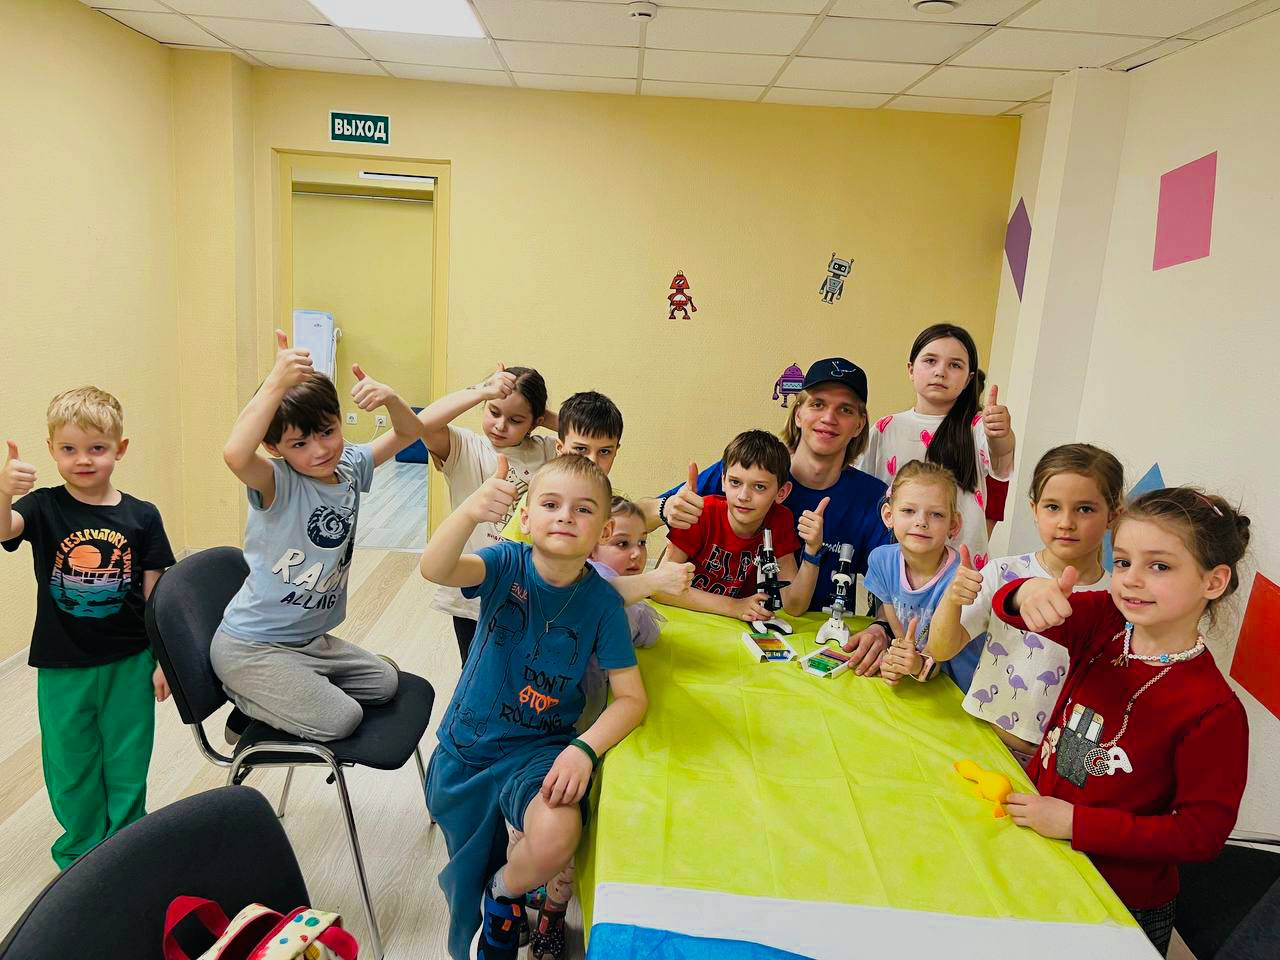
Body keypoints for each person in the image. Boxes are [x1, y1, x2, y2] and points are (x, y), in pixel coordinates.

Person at [991, 487, 1250, 955]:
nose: (1130, 580)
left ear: (1213, 582)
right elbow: (1011, 610)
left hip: (1121, 901)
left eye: (1159, 566)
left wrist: (1077, 823)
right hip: (1043, 855)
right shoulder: (1105, 622)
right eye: (1124, 561)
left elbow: (1201, 835)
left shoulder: (1215, 710)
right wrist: (1026, 593)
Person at [420, 454, 646, 960]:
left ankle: (502, 893)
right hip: (466, 749)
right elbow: (434, 567)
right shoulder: (506, 563)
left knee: (558, 831)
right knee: (465, 881)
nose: (565, 516)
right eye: (550, 504)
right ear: (525, 517)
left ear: (604, 530)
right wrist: (469, 512)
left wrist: (583, 750)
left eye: (583, 509)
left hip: (539, 751)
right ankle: (488, 903)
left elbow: (632, 699)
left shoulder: (603, 604)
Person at [212, 331, 421, 742]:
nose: (320, 450)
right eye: (300, 443)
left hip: (309, 643)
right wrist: (276, 381)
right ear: (274, 447)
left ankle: (290, 687)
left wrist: (393, 399)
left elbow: (408, 433)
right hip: (252, 647)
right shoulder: (276, 481)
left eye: (327, 432)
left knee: (385, 683)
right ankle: (246, 703)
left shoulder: (349, 466)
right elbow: (235, 454)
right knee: (343, 719)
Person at [1, 386, 175, 867]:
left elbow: (156, 595)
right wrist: (4, 490)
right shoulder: (42, 506)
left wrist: (164, 658)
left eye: (97, 448)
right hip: (62, 664)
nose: (83, 459)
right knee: (70, 761)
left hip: (130, 662)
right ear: (52, 449)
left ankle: (126, 847)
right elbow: (4, 528)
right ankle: (81, 853)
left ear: (120, 448)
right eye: (69, 449)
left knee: (127, 758)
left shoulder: (142, 516)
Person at [645, 358, 890, 670]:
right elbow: (640, 520)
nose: (829, 418)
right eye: (817, 404)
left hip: (804, 638)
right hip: (713, 628)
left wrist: (882, 627)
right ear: (798, 413)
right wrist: (664, 509)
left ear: (860, 424)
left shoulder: (873, 499)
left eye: (845, 409)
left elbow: (898, 579)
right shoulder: (745, 468)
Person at [927, 444, 1123, 763]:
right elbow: (939, 650)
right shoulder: (1002, 573)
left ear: (1113, 515)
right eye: (1052, 507)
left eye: (1085, 509)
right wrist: (952, 599)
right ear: (1034, 509)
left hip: (1058, 764)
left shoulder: (1119, 600)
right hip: (985, 741)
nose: (1066, 522)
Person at [419, 364, 559, 664]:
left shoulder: (547, 450)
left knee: (520, 668)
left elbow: (586, 434)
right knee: (474, 668)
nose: (500, 426)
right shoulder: (465, 446)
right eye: (493, 412)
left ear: (535, 423)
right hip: (472, 591)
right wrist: (481, 390)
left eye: (516, 420)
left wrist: (542, 414)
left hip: (527, 589)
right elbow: (424, 423)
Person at [861, 324, 1014, 567]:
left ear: (969, 379)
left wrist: (1000, 433)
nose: (940, 372)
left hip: (961, 572)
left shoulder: (977, 428)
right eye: (930, 360)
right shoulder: (884, 428)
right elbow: (865, 491)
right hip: (896, 569)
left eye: (955, 365)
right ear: (911, 369)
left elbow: (1001, 457)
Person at [656, 430, 825, 621]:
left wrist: (812, 551)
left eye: (759, 487)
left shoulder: (779, 520)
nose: (744, 496)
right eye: (735, 482)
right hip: (679, 618)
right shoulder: (701, 513)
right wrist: (733, 606)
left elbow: (794, 606)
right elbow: (660, 588)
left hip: (731, 628)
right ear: (723, 481)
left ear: (782, 492)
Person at [861, 461, 963, 686]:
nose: (921, 522)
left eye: (936, 514)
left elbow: (942, 654)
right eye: (908, 511)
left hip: (957, 688)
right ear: (888, 515)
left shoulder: (959, 578)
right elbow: (901, 635)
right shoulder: (881, 562)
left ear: (954, 524)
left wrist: (917, 665)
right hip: (920, 681)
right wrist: (898, 660)